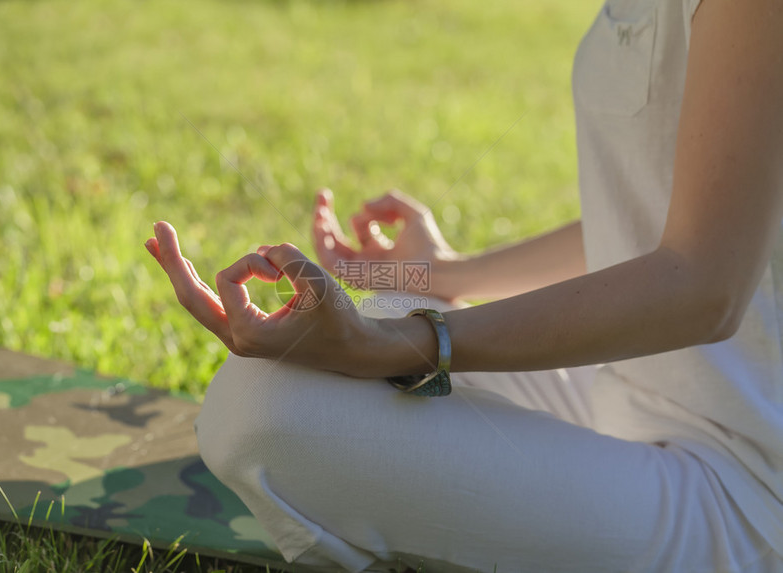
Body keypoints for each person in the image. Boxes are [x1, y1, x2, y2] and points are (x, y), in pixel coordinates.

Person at [144, 0, 783, 570]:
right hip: (616, 388)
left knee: (260, 415)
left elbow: (705, 286)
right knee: (291, 369)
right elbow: (656, 211)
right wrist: (448, 272)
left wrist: (406, 343)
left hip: (742, 482)